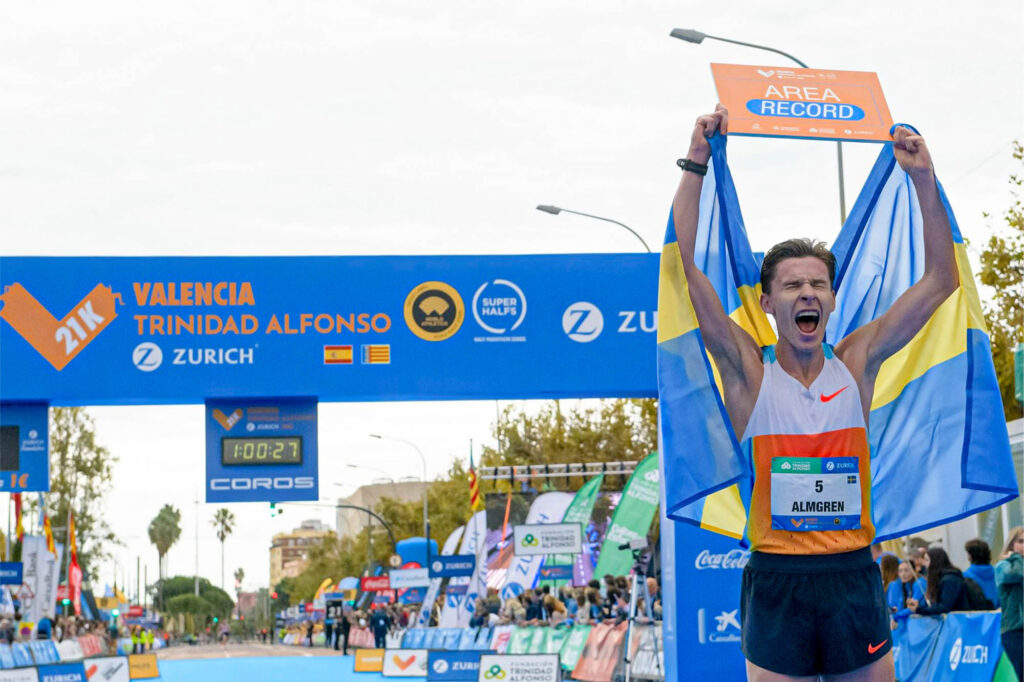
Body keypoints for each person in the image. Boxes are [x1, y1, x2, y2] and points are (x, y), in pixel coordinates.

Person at [674, 104, 958, 680]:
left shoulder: (856, 361)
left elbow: (940, 279)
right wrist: (696, 162)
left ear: (831, 299)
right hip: (778, 578)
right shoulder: (749, 372)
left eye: (818, 284)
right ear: (767, 303)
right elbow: (685, 269)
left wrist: (925, 181)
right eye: (793, 284)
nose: (808, 293)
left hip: (852, 574)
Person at [996, 527, 1023, 681]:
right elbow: (1013, 575)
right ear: (1011, 545)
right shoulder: (1003, 565)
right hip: (1014, 630)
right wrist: (1017, 558)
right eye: (1021, 541)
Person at [907, 547, 968, 615]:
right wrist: (919, 607)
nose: (924, 564)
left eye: (927, 560)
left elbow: (944, 607)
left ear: (934, 562)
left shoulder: (950, 580)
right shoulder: (942, 578)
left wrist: (919, 609)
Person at [963, 538, 1000, 607]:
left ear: (970, 556)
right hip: (999, 613)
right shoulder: (998, 571)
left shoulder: (965, 576)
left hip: (978, 615)